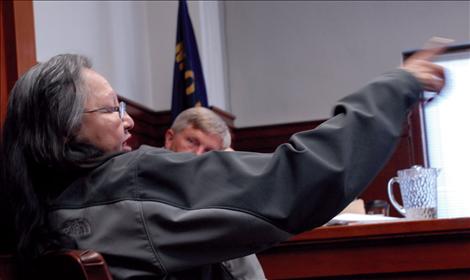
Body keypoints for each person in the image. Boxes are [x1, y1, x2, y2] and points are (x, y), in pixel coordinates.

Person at [0, 42, 445, 280]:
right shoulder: (134, 184)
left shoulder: (31, 207)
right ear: (65, 128)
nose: (130, 120)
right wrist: (396, 86)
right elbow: (296, 182)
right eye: (114, 108)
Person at [165, 107, 266, 279]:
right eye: (192, 141)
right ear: (170, 138)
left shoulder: (211, 183)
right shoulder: (146, 171)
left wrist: (231, 171)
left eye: (208, 151)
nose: (197, 155)